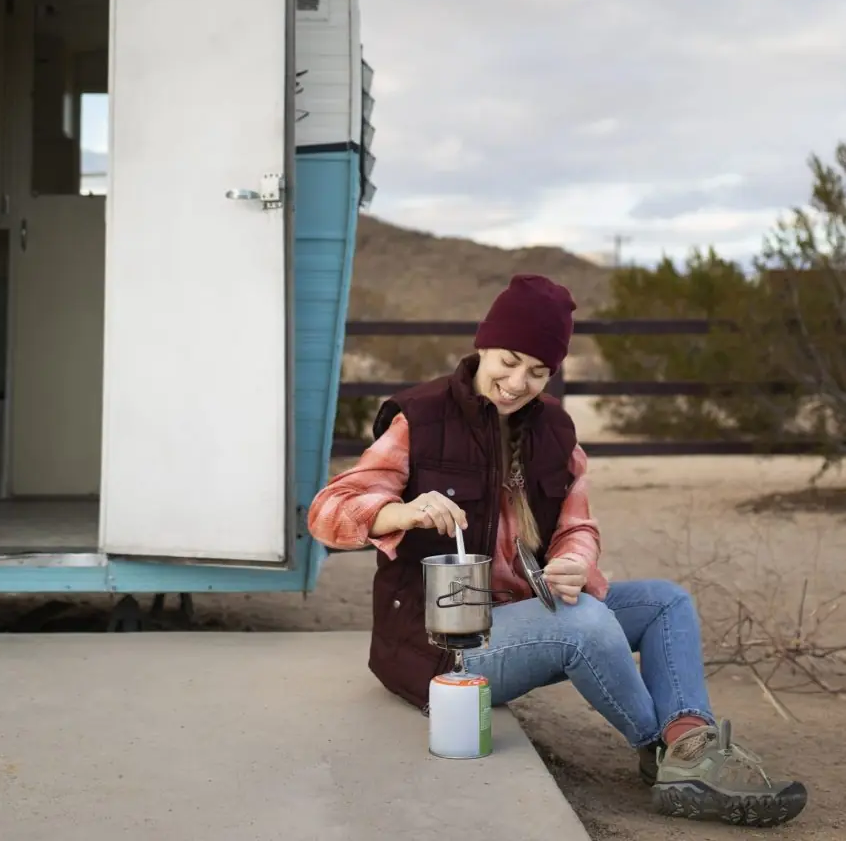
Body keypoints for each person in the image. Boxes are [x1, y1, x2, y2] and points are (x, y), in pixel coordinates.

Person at [308, 274, 807, 828]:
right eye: (509, 360)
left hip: (526, 618)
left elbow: (578, 525)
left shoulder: (555, 431)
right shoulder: (420, 418)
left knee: (666, 601)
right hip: (441, 653)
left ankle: (689, 738)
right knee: (584, 624)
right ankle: (673, 757)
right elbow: (328, 511)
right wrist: (400, 511)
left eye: (538, 371)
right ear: (482, 345)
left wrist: (574, 562)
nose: (518, 382)